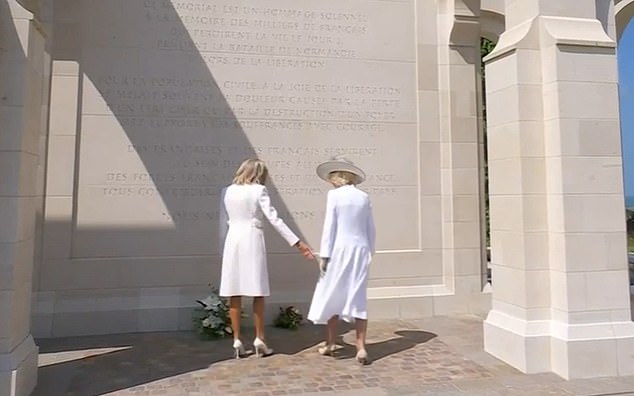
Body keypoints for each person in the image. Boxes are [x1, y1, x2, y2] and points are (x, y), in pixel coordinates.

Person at [219, 158, 314, 359]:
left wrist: (223, 247)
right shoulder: (259, 191)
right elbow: (275, 219)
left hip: (232, 240)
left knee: (233, 292)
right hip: (252, 238)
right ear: (260, 174)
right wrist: (298, 243)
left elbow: (223, 222)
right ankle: (259, 338)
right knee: (257, 291)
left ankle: (236, 339)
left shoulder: (227, 191)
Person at [307, 156, 376, 364]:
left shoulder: (334, 196)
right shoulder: (363, 196)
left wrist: (325, 255)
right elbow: (370, 228)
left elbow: (330, 227)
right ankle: (361, 347)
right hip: (360, 249)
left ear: (337, 177)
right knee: (358, 295)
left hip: (340, 249)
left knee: (333, 292)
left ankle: (330, 342)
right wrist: (370, 252)